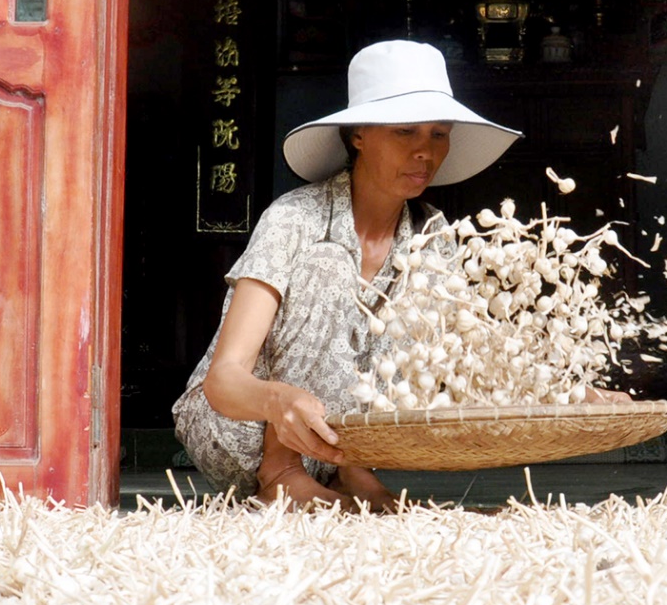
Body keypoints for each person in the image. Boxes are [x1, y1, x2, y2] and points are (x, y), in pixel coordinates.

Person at [172, 40, 522, 509]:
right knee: (329, 262)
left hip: (344, 441)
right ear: (358, 135)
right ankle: (281, 472)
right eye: (405, 132)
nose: (425, 151)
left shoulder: (430, 232)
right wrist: (279, 402)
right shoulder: (296, 218)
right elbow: (224, 380)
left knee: (423, 280)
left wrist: (574, 394)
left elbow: (469, 356)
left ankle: (353, 472)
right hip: (240, 430)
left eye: (439, 134)